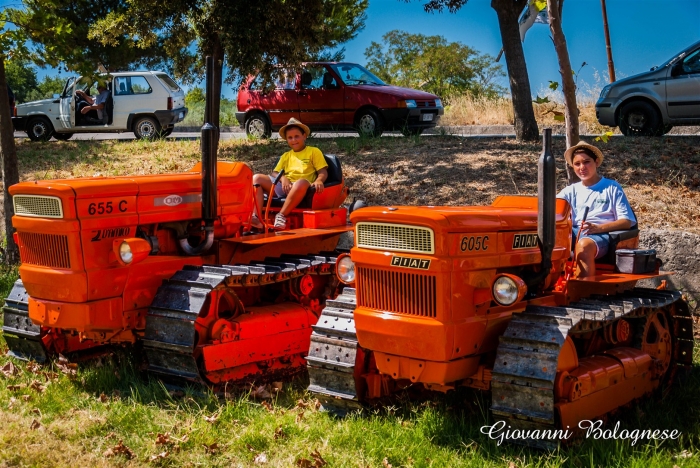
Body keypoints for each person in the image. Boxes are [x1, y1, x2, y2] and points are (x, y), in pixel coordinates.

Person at [557, 142, 636, 278]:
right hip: (574, 233)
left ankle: (584, 291)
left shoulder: (611, 187)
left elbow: (627, 221)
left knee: (584, 246)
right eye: (577, 164)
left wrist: (599, 228)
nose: (582, 167)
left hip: (602, 235)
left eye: (586, 162)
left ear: (596, 162)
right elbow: (552, 209)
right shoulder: (570, 191)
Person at [251, 118, 328, 230]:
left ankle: (281, 215)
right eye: (290, 138)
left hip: (302, 188)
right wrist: (283, 179)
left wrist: (319, 180)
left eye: (297, 136)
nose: (294, 140)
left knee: (300, 182)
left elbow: (323, 171)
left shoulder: (313, 151)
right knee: (256, 178)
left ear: (304, 136)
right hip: (286, 187)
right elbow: (275, 172)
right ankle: (256, 217)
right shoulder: (286, 156)